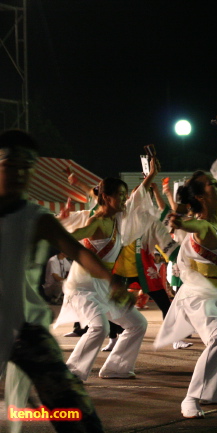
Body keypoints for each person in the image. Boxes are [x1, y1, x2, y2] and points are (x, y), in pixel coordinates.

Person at [0, 129, 130, 432]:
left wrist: (111, 282)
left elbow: (77, 251)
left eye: (27, 166)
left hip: (25, 329)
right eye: (11, 164)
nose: (20, 173)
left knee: (74, 412)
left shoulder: (36, 217)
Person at [154, 115, 217, 419]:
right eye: (210, 185)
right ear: (200, 196)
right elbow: (192, 223)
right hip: (198, 293)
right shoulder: (203, 224)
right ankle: (191, 398)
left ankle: (213, 392)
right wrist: (178, 219)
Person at [55, 159, 159, 381]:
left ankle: (116, 368)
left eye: (125, 194)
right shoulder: (97, 221)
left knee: (137, 324)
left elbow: (134, 200)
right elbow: (72, 237)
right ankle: (71, 373)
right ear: (107, 198)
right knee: (99, 328)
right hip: (83, 288)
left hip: (104, 288)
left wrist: (150, 177)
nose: (125, 198)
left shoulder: (118, 218)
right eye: (121, 195)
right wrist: (61, 226)